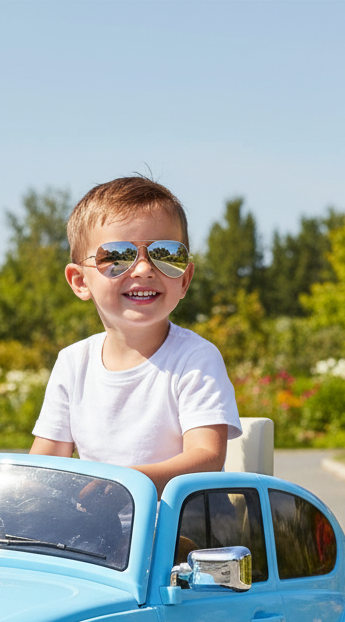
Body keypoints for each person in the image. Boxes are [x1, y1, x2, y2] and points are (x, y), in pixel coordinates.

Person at [31, 176, 241, 497]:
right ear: (79, 281)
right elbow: (43, 465)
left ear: (184, 280)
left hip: (177, 531)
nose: (143, 269)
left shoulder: (195, 359)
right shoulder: (73, 363)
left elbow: (207, 457)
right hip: (101, 532)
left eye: (166, 254)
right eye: (117, 256)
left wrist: (125, 483)